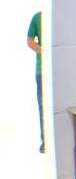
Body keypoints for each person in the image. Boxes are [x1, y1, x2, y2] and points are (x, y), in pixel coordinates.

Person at [27, 11, 44, 153]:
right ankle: (45, 142)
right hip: (42, 71)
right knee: (43, 106)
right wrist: (44, 51)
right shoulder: (37, 17)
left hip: (62, 70)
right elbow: (30, 41)